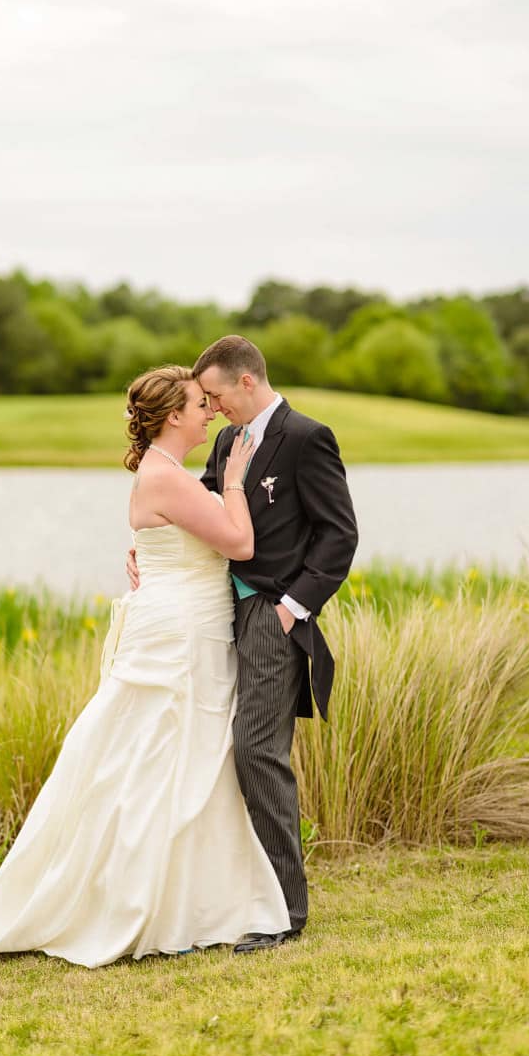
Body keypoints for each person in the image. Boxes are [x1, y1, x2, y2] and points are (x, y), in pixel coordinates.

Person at [0, 366, 290, 967]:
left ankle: (189, 901)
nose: (209, 413)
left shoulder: (165, 473)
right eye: (200, 405)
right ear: (173, 416)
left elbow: (172, 544)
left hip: (188, 621)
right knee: (164, 764)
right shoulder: (167, 476)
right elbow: (240, 545)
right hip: (180, 634)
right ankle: (138, 904)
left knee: (188, 765)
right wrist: (233, 482)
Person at [128, 335, 359, 954]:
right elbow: (201, 510)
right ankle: (231, 898)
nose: (212, 407)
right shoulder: (229, 442)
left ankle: (286, 911)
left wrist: (291, 608)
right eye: (202, 399)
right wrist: (149, 547)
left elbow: (340, 536)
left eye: (216, 395)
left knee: (258, 751)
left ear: (246, 383)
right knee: (214, 750)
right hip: (209, 613)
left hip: (269, 611)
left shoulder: (308, 438)